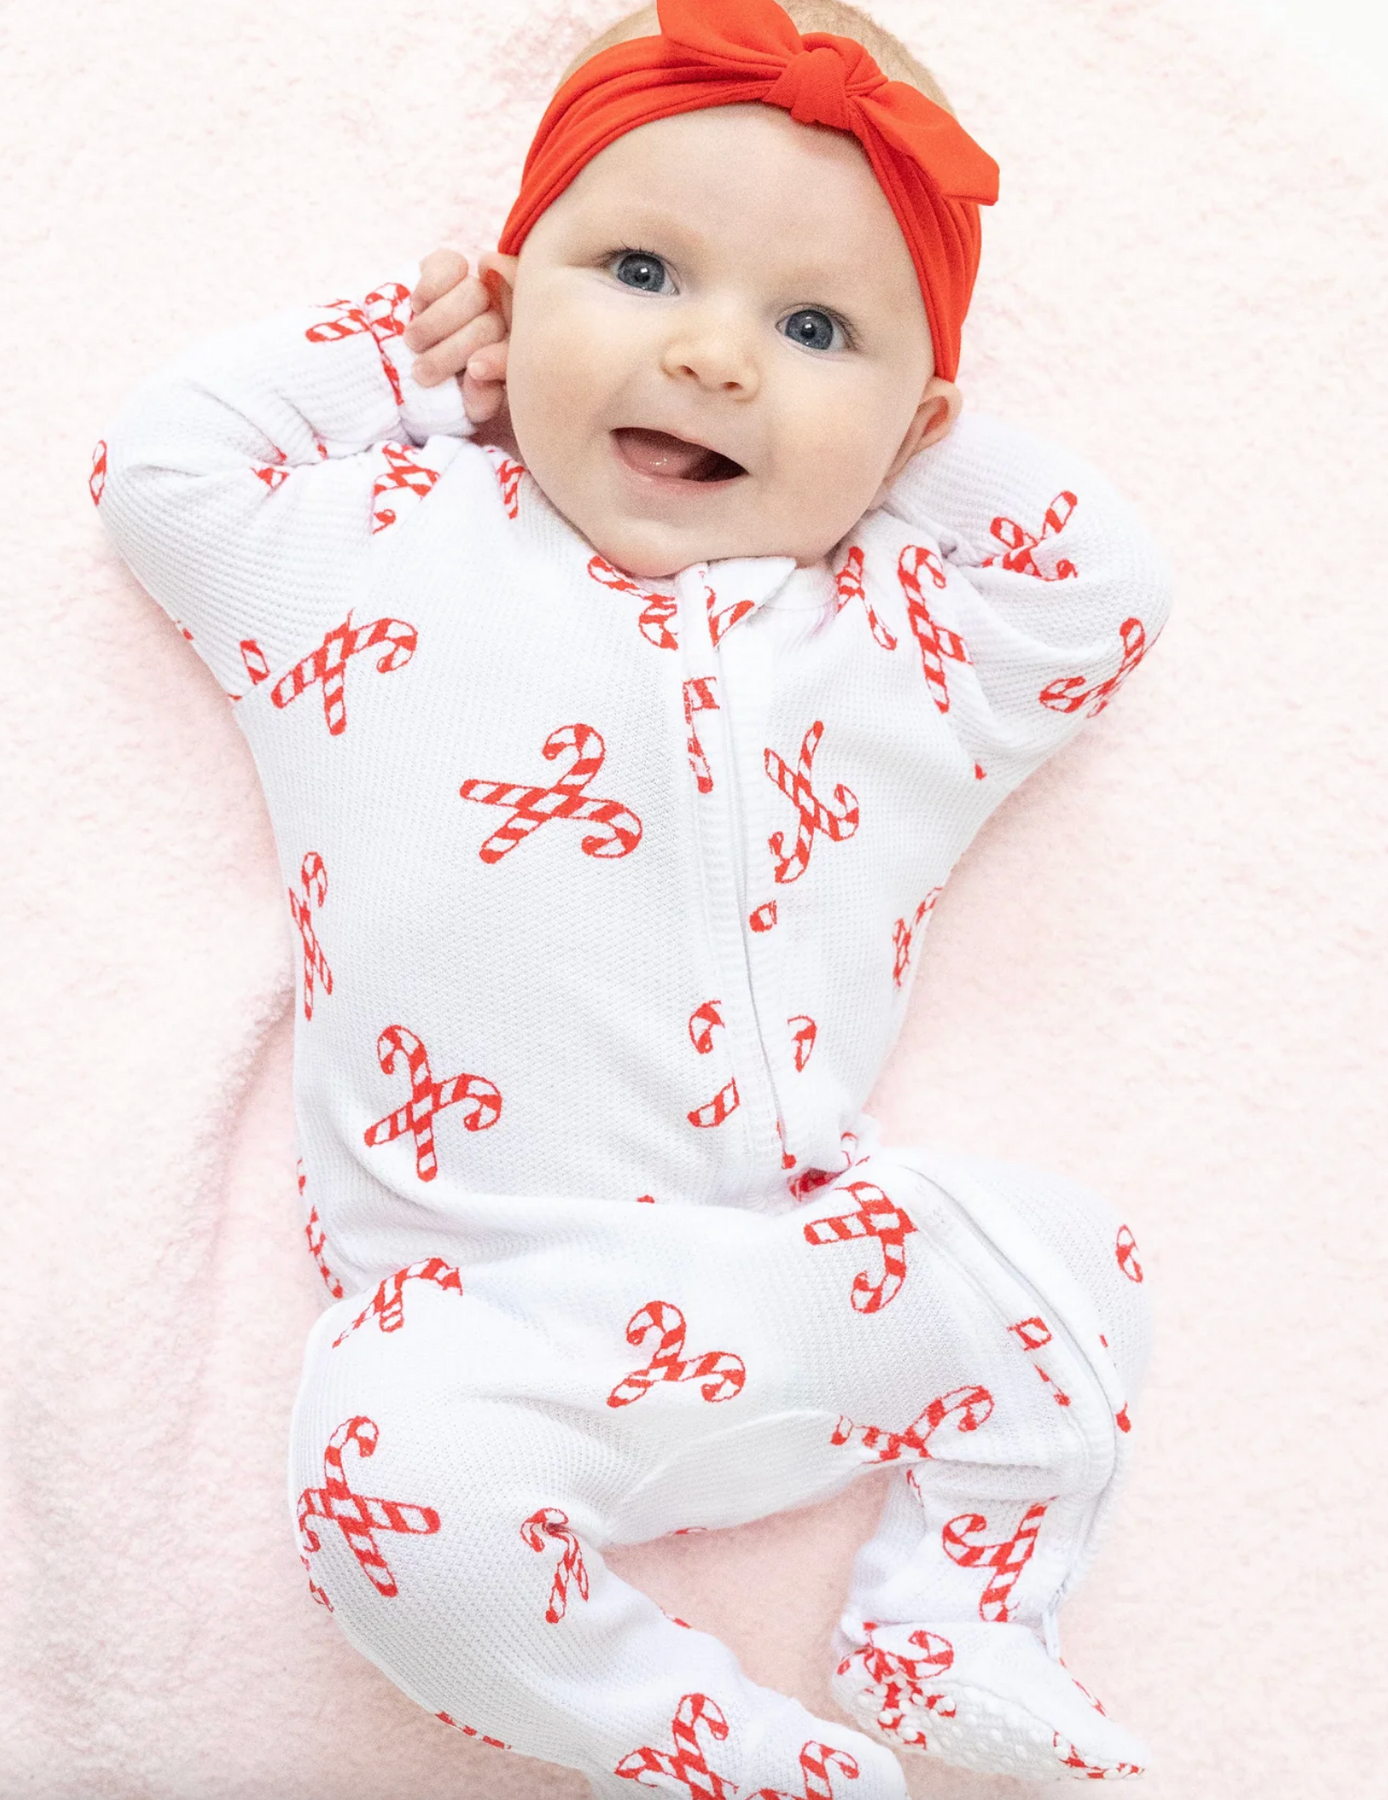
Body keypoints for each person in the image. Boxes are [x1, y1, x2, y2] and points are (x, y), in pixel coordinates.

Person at [93, 0, 1170, 1790]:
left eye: (814, 328)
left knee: (1066, 1265)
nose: (713, 356)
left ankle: (954, 1622)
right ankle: (735, 1754)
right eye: (643, 271)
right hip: (476, 1304)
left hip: (786, 1274)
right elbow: (164, 464)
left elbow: (1102, 585)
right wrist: (417, 351)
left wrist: (900, 449)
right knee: (385, 1493)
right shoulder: (373, 549)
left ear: (918, 425)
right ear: (517, 299)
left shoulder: (902, 651)